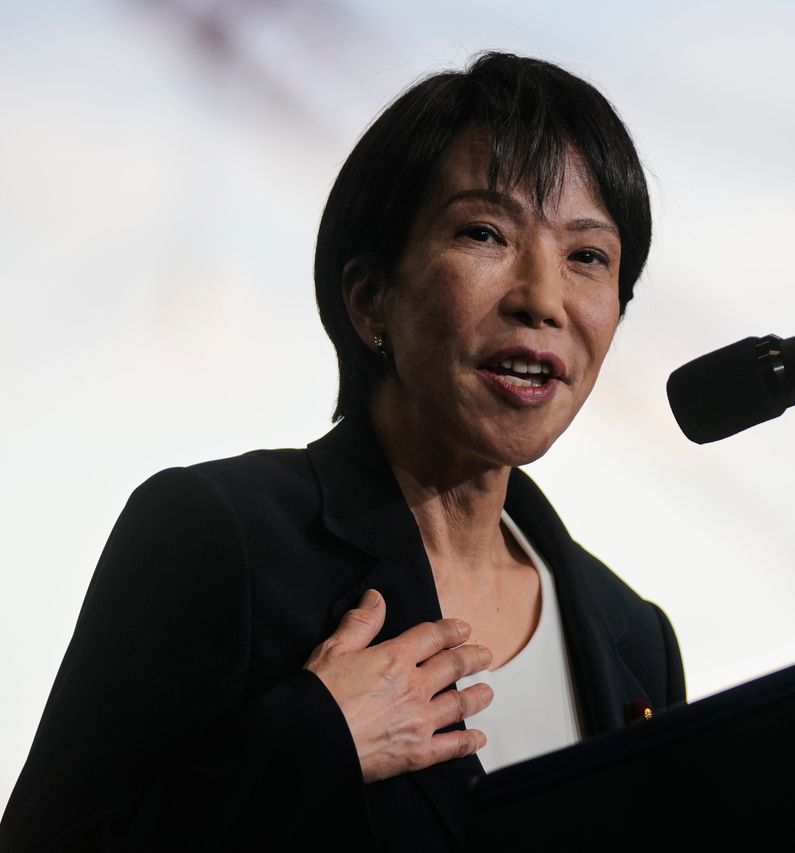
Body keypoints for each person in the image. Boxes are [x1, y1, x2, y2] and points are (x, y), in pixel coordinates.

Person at [0, 52, 684, 852]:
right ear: (370, 300)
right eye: (485, 233)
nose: (543, 298)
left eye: (588, 256)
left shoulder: (634, 637)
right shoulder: (222, 538)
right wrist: (312, 740)